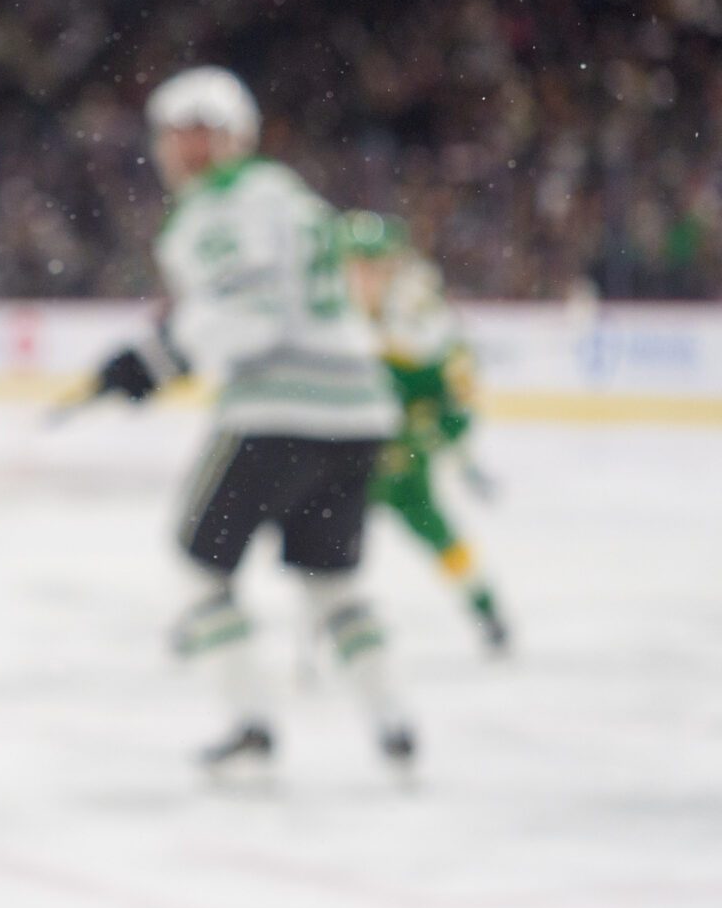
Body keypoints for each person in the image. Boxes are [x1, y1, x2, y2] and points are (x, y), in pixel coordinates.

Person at [89, 66, 413, 772]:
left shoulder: (216, 209)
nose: (189, 149)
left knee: (201, 570)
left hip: (278, 409)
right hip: (360, 408)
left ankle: (252, 728)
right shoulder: (291, 196)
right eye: (182, 133)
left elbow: (250, 318)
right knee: (332, 582)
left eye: (201, 134)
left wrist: (158, 358)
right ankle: (394, 726)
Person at [343, 211, 512, 653]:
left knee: (441, 537)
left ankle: (487, 609)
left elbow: (457, 396)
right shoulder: (331, 312)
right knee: (308, 543)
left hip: (401, 467)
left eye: (372, 265)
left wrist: (431, 436)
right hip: (344, 463)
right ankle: (214, 610)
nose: (362, 277)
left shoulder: (423, 321)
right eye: (354, 265)